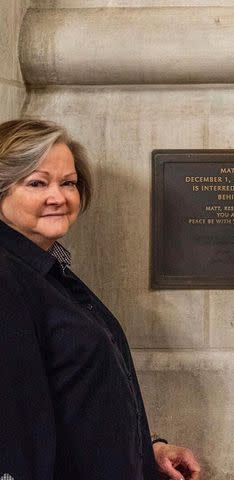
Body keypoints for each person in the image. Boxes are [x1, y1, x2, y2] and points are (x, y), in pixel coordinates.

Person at [0, 119, 201, 480]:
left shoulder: (47, 269)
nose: (58, 197)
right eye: (36, 183)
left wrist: (149, 447)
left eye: (68, 183)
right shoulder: (7, 279)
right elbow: (16, 428)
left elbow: (80, 399)